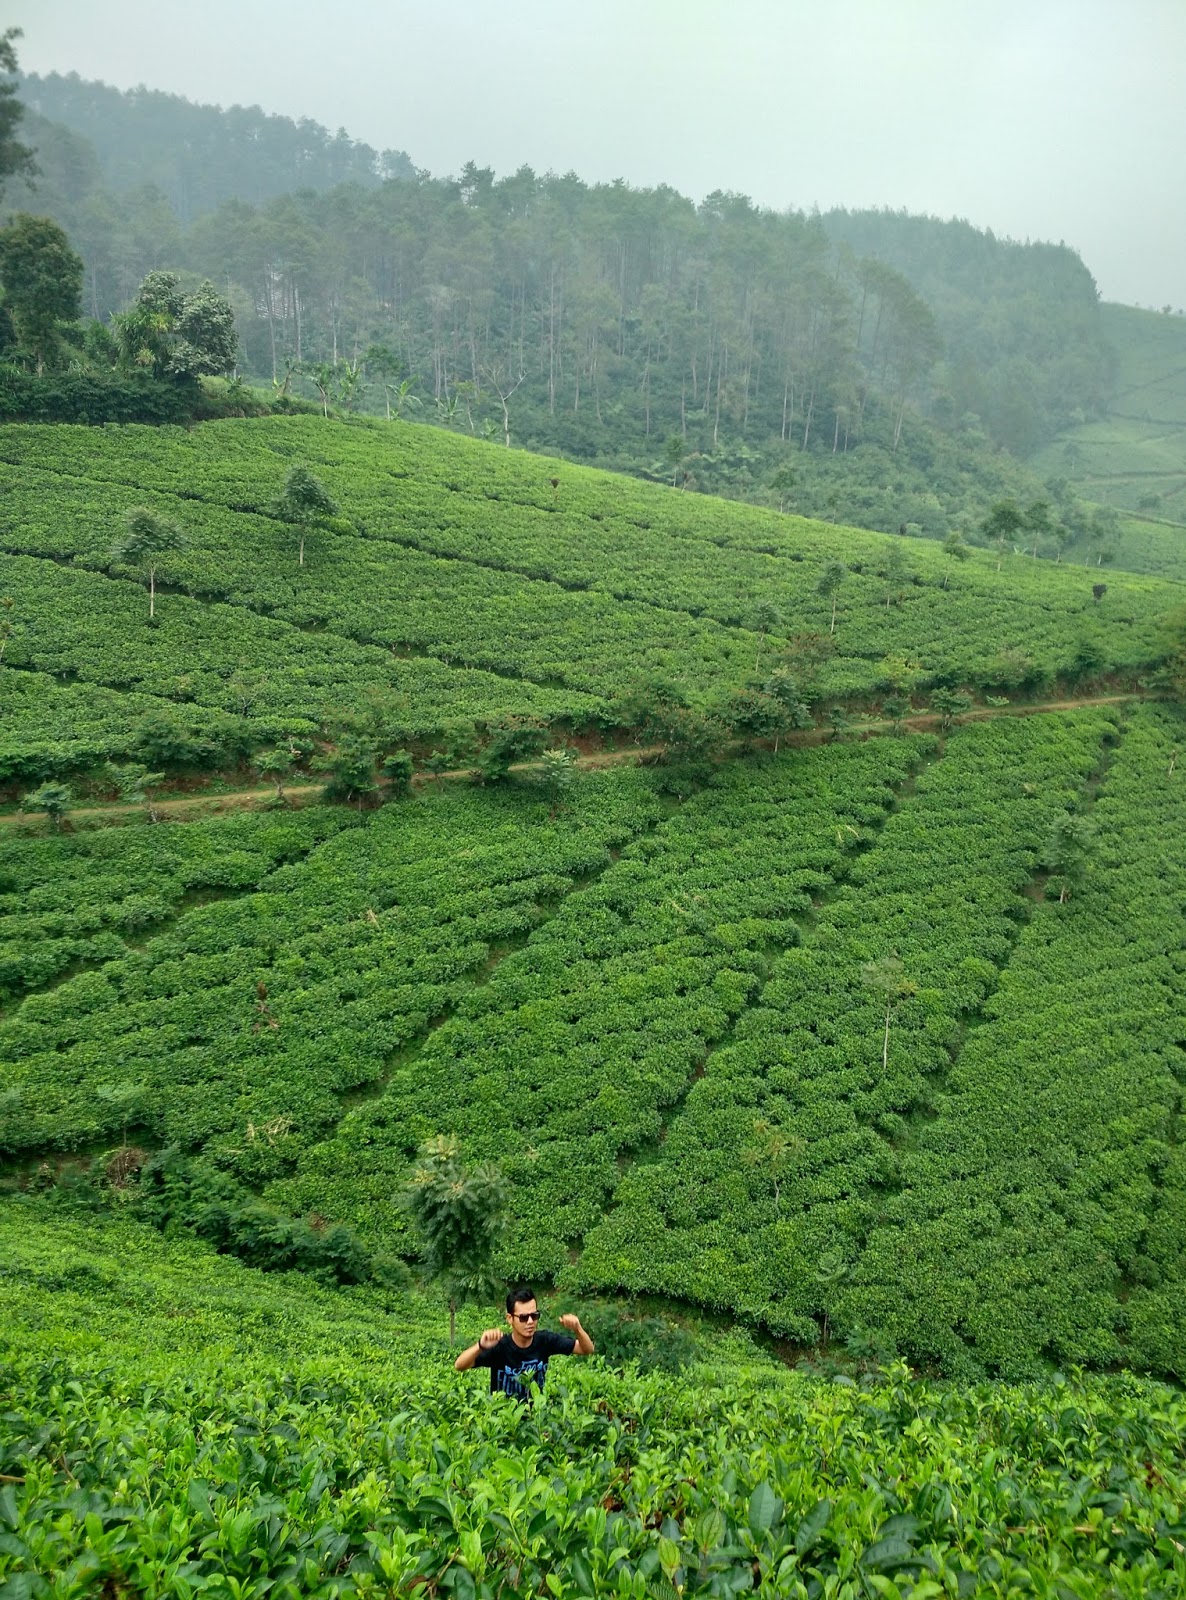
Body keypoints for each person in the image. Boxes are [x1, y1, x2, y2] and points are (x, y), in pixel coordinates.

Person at [454, 1285, 594, 1401]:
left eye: (534, 1316)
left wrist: (577, 1328)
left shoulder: (545, 1340)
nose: (530, 1322)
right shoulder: (500, 1347)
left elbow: (587, 1349)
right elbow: (459, 1365)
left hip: (535, 1419)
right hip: (505, 1421)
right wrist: (480, 1346)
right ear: (510, 1318)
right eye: (523, 1318)